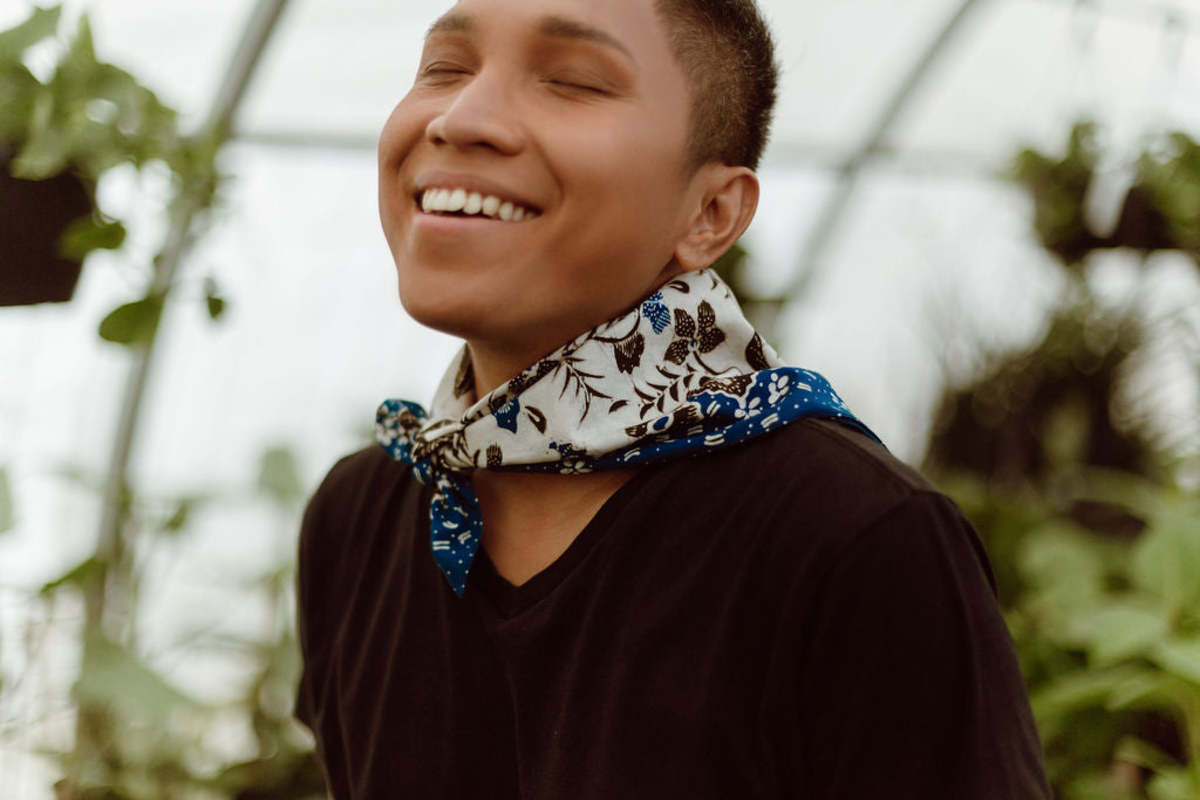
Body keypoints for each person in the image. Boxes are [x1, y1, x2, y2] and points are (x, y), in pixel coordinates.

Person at [292, 0, 1054, 797]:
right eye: (444, 68)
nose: (461, 117)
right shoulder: (360, 518)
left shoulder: (853, 540)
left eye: (571, 81)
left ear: (709, 213)